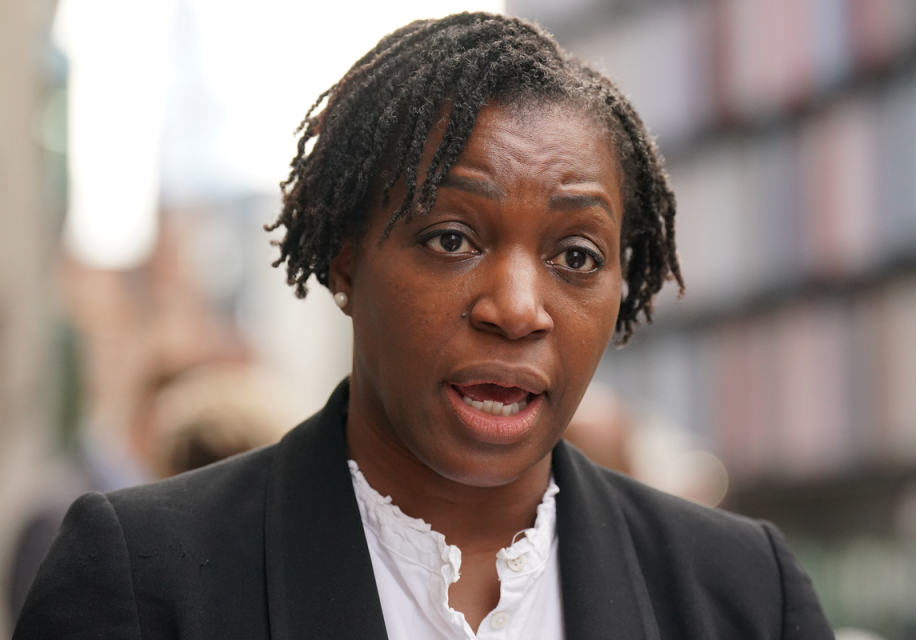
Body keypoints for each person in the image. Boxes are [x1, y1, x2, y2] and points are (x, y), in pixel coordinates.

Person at [14, 12, 833, 639]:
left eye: (577, 256)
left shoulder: (742, 596)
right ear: (343, 261)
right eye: (451, 239)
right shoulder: (141, 580)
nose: (516, 308)